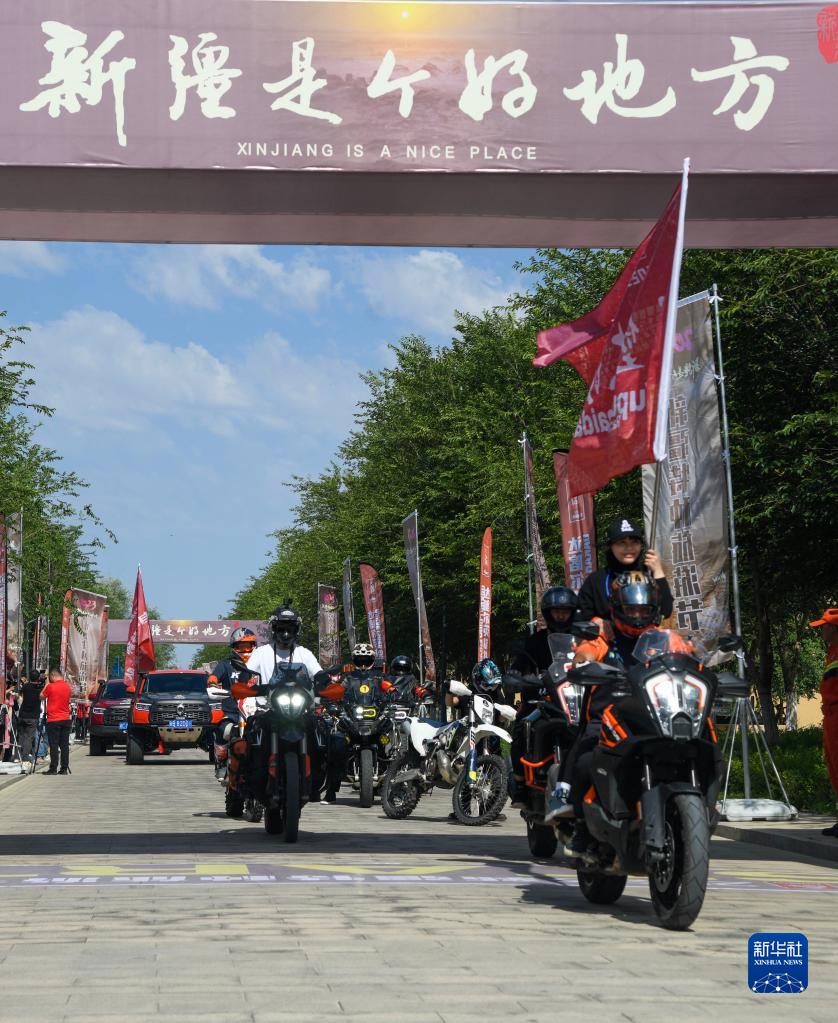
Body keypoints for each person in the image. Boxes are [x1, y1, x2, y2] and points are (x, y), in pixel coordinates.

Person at [559, 571, 677, 840]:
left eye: (643, 609)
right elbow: (586, 650)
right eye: (631, 609)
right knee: (586, 760)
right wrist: (583, 661)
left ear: (654, 609)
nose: (637, 615)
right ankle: (579, 827)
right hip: (608, 718)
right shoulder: (605, 636)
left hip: (654, 718)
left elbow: (685, 655)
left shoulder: (663, 639)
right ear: (617, 607)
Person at [507, 586, 579, 810]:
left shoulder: (582, 640)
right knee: (522, 727)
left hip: (573, 698)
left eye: (565, 611)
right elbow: (519, 664)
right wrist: (517, 675)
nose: (561, 616)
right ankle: (520, 784)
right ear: (548, 613)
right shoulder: (535, 641)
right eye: (557, 611)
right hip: (542, 699)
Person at [577, 515, 673, 623]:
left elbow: (666, 611)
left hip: (646, 634)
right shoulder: (596, 580)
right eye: (621, 543)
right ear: (610, 546)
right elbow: (581, 617)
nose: (629, 548)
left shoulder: (649, 572)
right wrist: (595, 621)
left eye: (635, 542)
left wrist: (658, 571)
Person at [208, 627, 258, 785]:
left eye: (248, 646)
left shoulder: (260, 664)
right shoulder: (225, 665)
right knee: (224, 730)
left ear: (254, 646)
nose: (245, 650)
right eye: (241, 646)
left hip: (258, 711)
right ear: (234, 647)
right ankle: (222, 761)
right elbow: (213, 677)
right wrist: (213, 684)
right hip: (232, 712)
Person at [810, 608, 838, 838]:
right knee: (834, 766)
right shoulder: (832, 653)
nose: (821, 631)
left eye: (824, 627)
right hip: (831, 715)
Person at [41, 668, 73, 775]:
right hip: (65, 719)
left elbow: (41, 696)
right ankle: (64, 768)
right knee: (64, 745)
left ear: (53, 676)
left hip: (54, 719)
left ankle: (53, 768)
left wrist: (46, 684)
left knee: (53, 745)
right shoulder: (67, 687)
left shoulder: (51, 686)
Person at [15, 670, 44, 764]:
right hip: (33, 716)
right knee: (29, 737)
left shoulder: (25, 686)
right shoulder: (40, 688)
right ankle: (25, 757)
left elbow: (23, 689)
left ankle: (17, 756)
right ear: (38, 678)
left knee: (20, 736)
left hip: (23, 714)